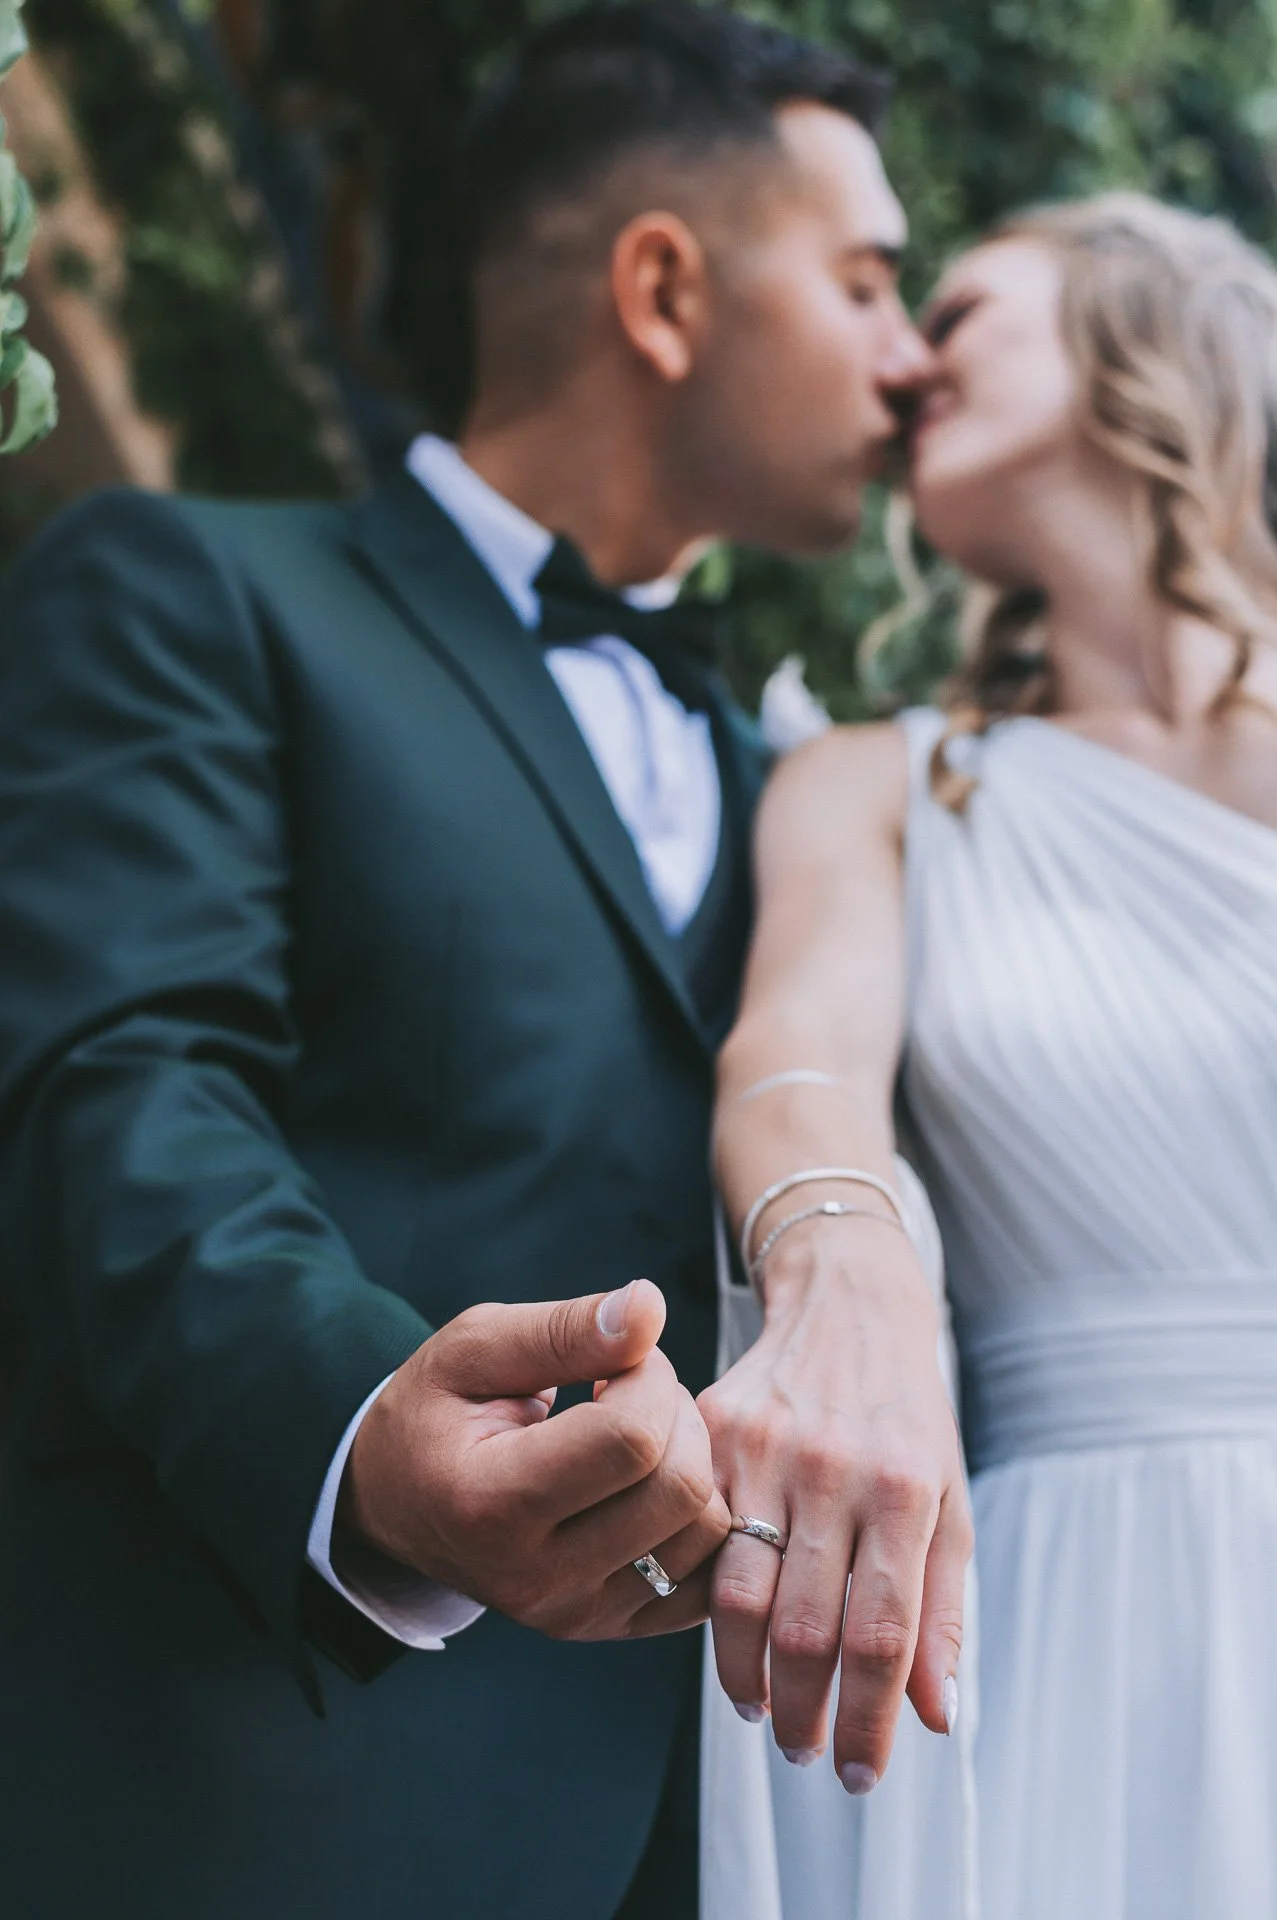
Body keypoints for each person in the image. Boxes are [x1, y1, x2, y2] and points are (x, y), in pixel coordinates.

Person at [0, 7, 947, 1917]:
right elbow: (123, 1083)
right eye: (863, 283)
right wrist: (361, 1429)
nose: (908, 361)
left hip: (765, 1824)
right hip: (280, 1791)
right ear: (664, 288)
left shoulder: (815, 792)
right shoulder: (188, 590)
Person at [705, 189, 1277, 1919]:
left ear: (1146, 330)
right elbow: (798, 1053)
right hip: (1062, 1624)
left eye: (956, 313)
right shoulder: (878, 784)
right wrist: (842, 1257)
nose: (902, 365)